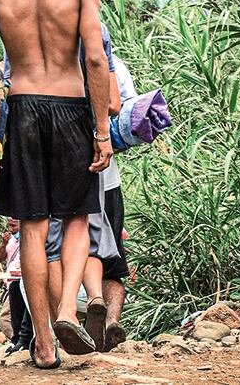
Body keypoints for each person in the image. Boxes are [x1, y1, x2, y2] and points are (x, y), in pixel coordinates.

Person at [0, 0, 112, 368]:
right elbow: (94, 60)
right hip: (71, 108)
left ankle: (45, 343)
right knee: (76, 217)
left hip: (24, 108)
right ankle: (69, 307)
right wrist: (102, 131)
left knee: (31, 226)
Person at [99, 53, 139, 351]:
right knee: (112, 263)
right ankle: (111, 319)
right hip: (107, 181)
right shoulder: (113, 63)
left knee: (61, 255)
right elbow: (131, 119)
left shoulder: (49, 56)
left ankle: (68, 322)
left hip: (62, 183)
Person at [0, 218, 33, 352]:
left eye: (13, 225)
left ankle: (23, 340)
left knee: (21, 313)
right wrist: (3, 243)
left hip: (27, 281)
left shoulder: (31, 236)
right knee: (9, 316)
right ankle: (18, 340)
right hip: (12, 282)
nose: (11, 229)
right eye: (9, 225)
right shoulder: (11, 240)